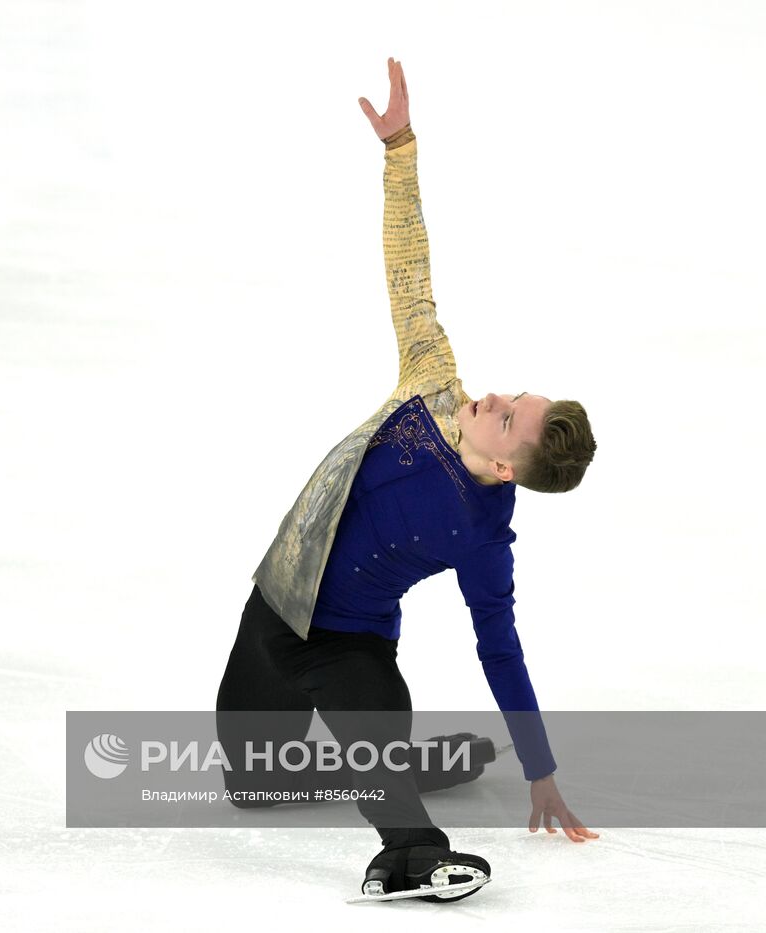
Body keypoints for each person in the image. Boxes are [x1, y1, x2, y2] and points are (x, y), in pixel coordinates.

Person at [215, 57, 600, 902]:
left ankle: (414, 853)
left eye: (508, 415)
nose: (495, 397)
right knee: (250, 780)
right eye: (514, 396)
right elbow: (410, 272)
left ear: (507, 465)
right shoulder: (433, 384)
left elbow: (500, 647)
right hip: (277, 602)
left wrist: (540, 770)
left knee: (373, 734)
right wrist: (401, 150)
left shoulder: (484, 535)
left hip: (350, 643)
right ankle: (384, 764)